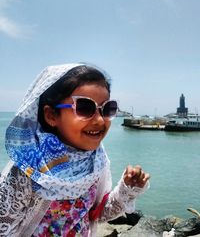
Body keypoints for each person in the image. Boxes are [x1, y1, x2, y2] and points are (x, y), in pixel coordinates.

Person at [0, 63, 150, 237]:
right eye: (85, 108)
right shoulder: (30, 168)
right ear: (51, 115)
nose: (100, 121)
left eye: (107, 109)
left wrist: (127, 190)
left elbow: (96, 215)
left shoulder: (96, 161)